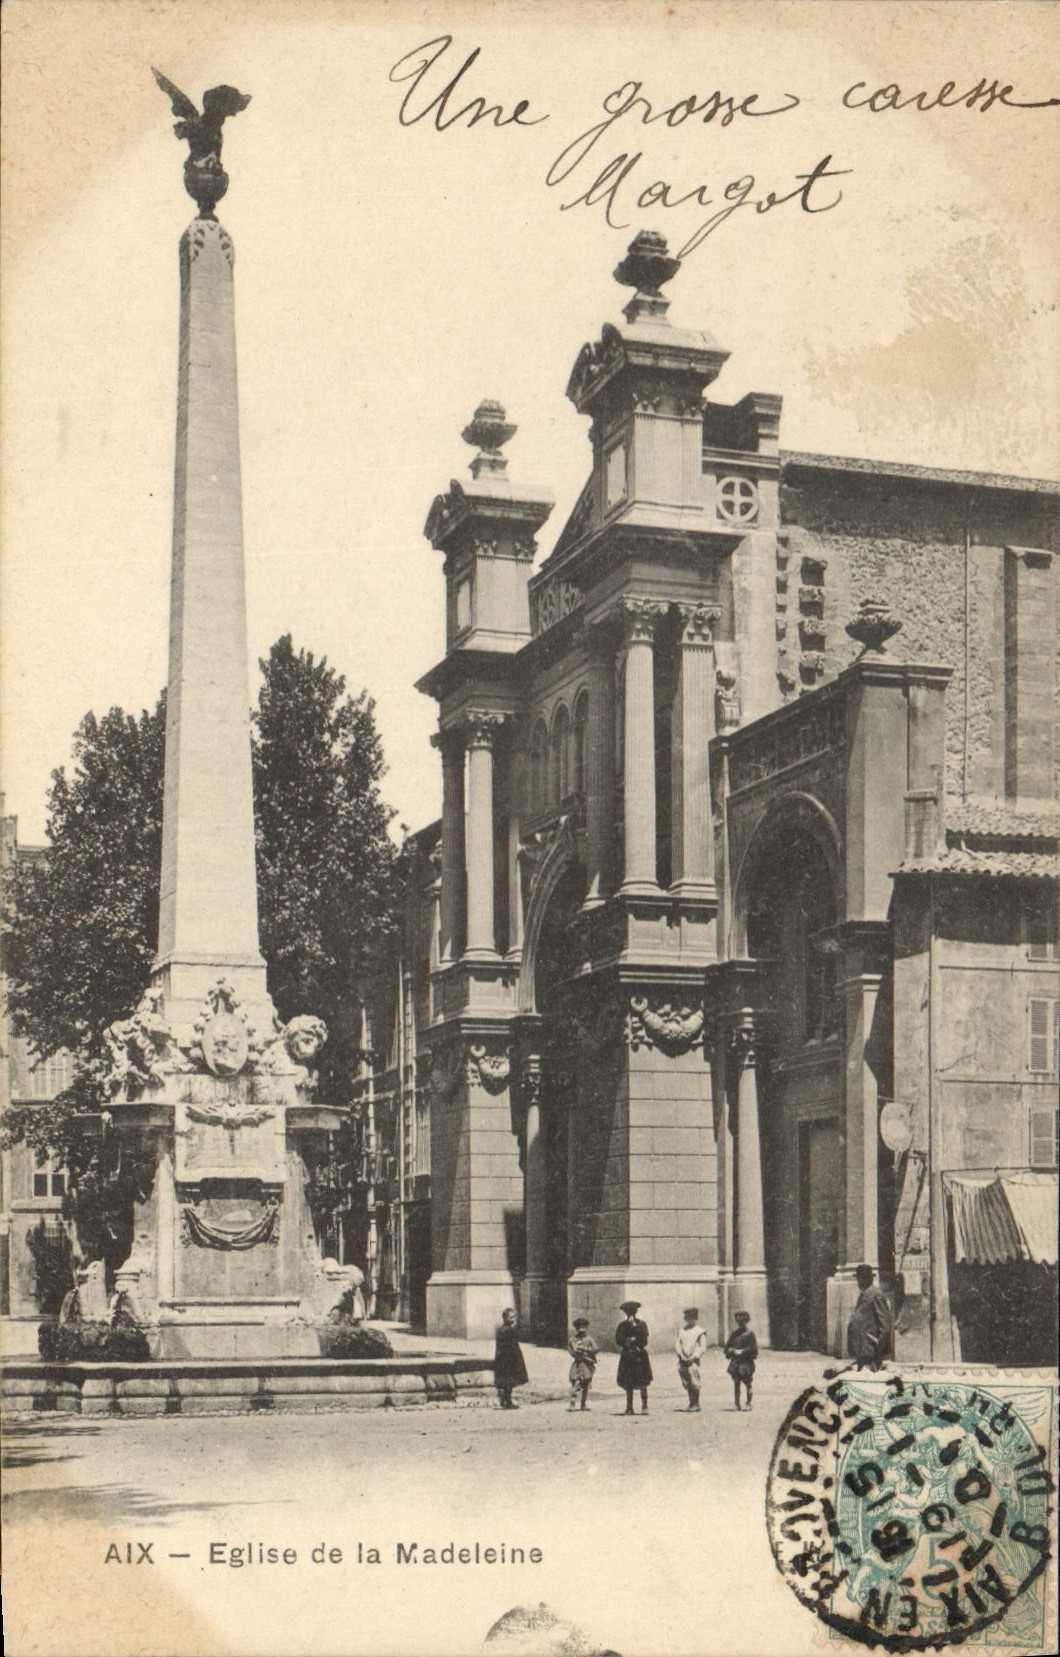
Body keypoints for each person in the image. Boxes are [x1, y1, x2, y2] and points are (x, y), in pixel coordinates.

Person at [847, 1264, 894, 1371]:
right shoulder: (865, 1294)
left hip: (872, 1351)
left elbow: (885, 1324)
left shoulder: (876, 1294)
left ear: (869, 1278)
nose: (859, 1281)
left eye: (862, 1278)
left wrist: (879, 1347)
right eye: (858, 1278)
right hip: (863, 1349)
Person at [615, 1299, 652, 1415]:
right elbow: (618, 1339)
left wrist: (635, 1328)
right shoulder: (622, 1325)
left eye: (633, 1312)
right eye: (628, 1312)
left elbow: (644, 1340)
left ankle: (644, 1405)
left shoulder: (642, 1324)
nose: (631, 1314)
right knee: (628, 1382)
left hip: (639, 1355)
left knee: (642, 1381)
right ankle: (629, 1407)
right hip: (627, 1356)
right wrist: (627, 1341)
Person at [494, 1307, 529, 1409]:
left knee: (506, 1381)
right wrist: (518, 1358)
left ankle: (505, 1400)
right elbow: (513, 1346)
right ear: (505, 1318)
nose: (513, 1319)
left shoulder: (500, 1330)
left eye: (514, 1317)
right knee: (510, 1380)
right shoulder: (510, 1330)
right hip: (510, 1359)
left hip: (502, 1358)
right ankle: (507, 1401)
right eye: (511, 1317)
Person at [724, 1310, 758, 1411]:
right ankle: (736, 1404)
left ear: (746, 1321)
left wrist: (742, 1351)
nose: (741, 1323)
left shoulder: (750, 1334)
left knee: (748, 1383)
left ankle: (748, 1403)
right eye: (739, 1321)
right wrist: (732, 1351)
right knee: (736, 1383)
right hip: (735, 1362)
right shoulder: (734, 1334)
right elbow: (726, 1348)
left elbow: (754, 1349)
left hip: (746, 1362)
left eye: (743, 1321)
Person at [675, 1306, 708, 1412]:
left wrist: (694, 1357)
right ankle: (691, 1402)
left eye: (692, 1317)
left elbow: (702, 1347)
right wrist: (681, 1354)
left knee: (694, 1381)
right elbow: (678, 1344)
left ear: (696, 1318)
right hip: (683, 1360)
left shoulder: (700, 1331)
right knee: (686, 1381)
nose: (690, 1320)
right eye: (688, 1317)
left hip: (693, 1360)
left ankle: (696, 1403)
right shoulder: (682, 1331)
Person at [567, 1316, 598, 1411]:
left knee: (586, 1384)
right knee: (576, 1383)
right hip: (577, 1364)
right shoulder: (572, 1340)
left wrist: (585, 1350)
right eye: (579, 1328)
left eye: (583, 1328)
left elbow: (596, 1349)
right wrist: (576, 1353)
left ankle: (583, 1404)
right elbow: (571, 1351)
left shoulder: (589, 1339)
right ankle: (572, 1403)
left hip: (587, 1365)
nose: (581, 1330)